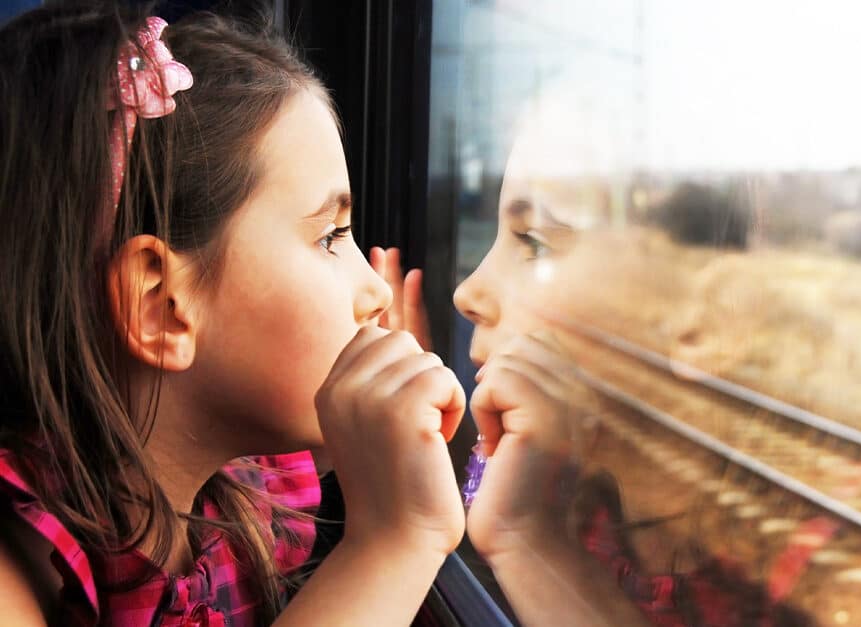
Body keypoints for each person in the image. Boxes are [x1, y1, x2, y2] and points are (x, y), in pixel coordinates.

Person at [0, 5, 480, 625]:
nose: (375, 290)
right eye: (331, 236)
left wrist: (402, 424)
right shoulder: (21, 575)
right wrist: (393, 540)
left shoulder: (247, 490)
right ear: (162, 307)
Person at [452, 84, 817, 626]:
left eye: (535, 243)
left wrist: (530, 540)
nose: (468, 293)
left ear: (708, 321)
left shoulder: (822, 572)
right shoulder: (570, 494)